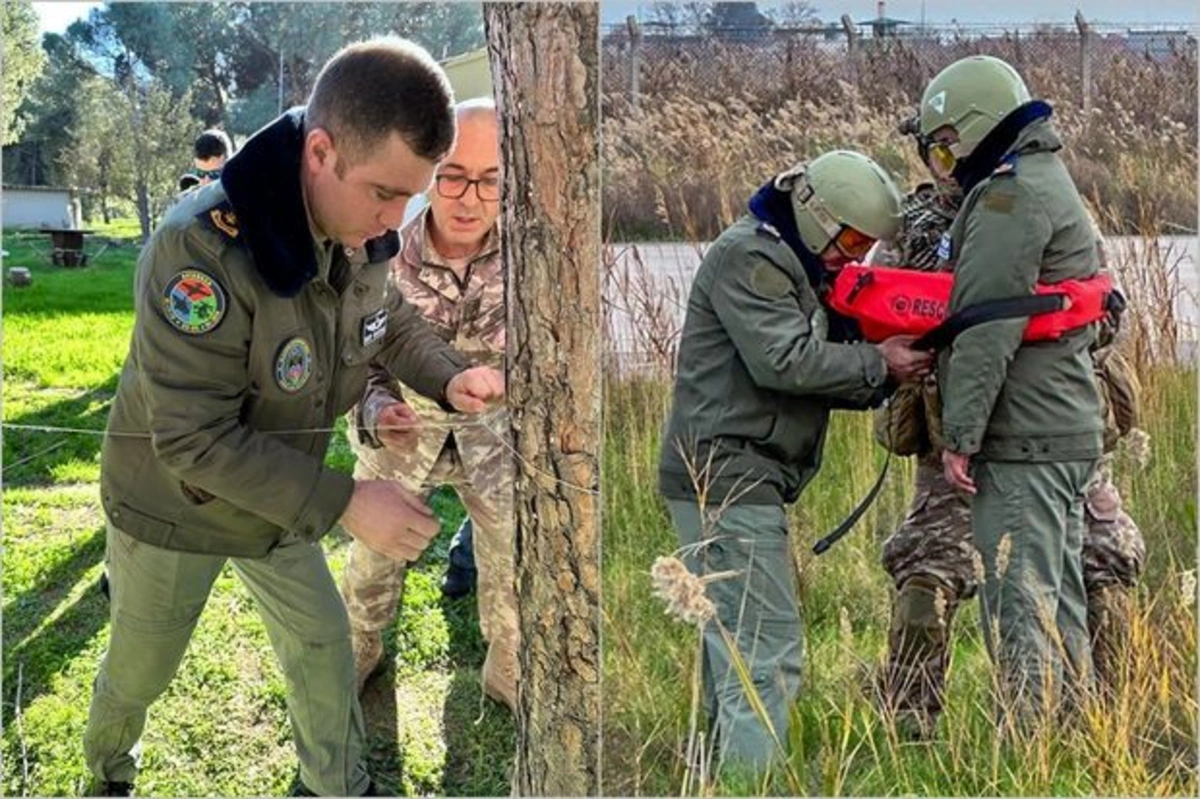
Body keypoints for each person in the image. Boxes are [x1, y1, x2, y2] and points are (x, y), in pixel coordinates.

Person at [83, 38, 504, 797]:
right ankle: (109, 770)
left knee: (323, 646)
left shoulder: (361, 225)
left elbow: (390, 317)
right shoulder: (200, 251)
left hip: (280, 493)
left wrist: (449, 376)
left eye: (412, 195)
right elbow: (191, 438)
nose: (395, 218)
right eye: (384, 193)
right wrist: (348, 501)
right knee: (142, 667)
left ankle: (335, 785)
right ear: (320, 152)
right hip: (173, 508)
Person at [870, 111, 1145, 737]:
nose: (946, 167)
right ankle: (910, 732)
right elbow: (880, 316)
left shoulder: (1031, 195)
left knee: (1102, 569)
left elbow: (1101, 313)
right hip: (957, 437)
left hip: (1043, 426)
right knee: (924, 574)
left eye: (950, 151)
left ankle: (1114, 726)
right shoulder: (916, 230)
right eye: (933, 155)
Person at [657, 150, 932, 774]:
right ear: (815, 214)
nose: (853, 255)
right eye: (851, 239)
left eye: (865, 244)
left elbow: (807, 366)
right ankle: (748, 783)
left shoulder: (791, 259)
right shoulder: (752, 256)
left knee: (732, 648)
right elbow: (783, 360)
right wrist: (879, 363)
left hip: (735, 477)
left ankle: (720, 777)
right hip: (727, 478)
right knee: (765, 655)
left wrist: (884, 370)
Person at [918, 55, 1106, 724]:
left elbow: (986, 325)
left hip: (1026, 436)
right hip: (1059, 425)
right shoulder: (1042, 176)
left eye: (946, 141)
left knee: (1021, 610)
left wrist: (960, 437)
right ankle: (1076, 750)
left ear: (973, 127)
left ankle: (1029, 759)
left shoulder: (1007, 194)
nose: (945, 157)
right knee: (1058, 605)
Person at [339, 99, 517, 709]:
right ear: (429, 175)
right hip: (404, 433)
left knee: (515, 548)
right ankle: (362, 642)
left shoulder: (535, 263)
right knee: (373, 554)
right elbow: (355, 356)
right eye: (454, 177)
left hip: (493, 438)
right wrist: (376, 410)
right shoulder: (378, 254)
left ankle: (510, 663)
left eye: (491, 181)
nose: (470, 199)